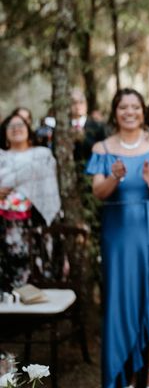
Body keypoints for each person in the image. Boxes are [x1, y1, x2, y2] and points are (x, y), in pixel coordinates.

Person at [86, 88, 149, 388]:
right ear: (114, 111)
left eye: (135, 106)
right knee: (123, 302)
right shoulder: (103, 149)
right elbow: (98, 193)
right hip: (118, 234)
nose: (129, 112)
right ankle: (126, 372)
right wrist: (115, 176)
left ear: (143, 111)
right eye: (123, 107)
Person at [0, 113, 60, 291]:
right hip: (3, 225)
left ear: (29, 130)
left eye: (21, 125)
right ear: (4, 133)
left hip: (34, 222)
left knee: (33, 275)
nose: (16, 129)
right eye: (11, 126)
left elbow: (48, 186)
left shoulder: (42, 155)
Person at [70, 88, 108, 162]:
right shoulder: (62, 127)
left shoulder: (98, 127)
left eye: (81, 102)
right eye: (74, 103)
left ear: (86, 104)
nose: (77, 106)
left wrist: (84, 139)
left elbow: (103, 152)